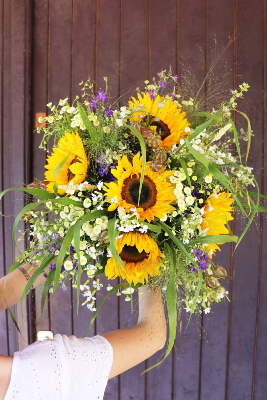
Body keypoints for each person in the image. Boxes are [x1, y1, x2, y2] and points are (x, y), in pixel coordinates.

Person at [0, 262, 166, 399]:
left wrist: (58, 249)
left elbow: (7, 291)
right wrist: (143, 261)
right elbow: (152, 336)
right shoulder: (47, 374)